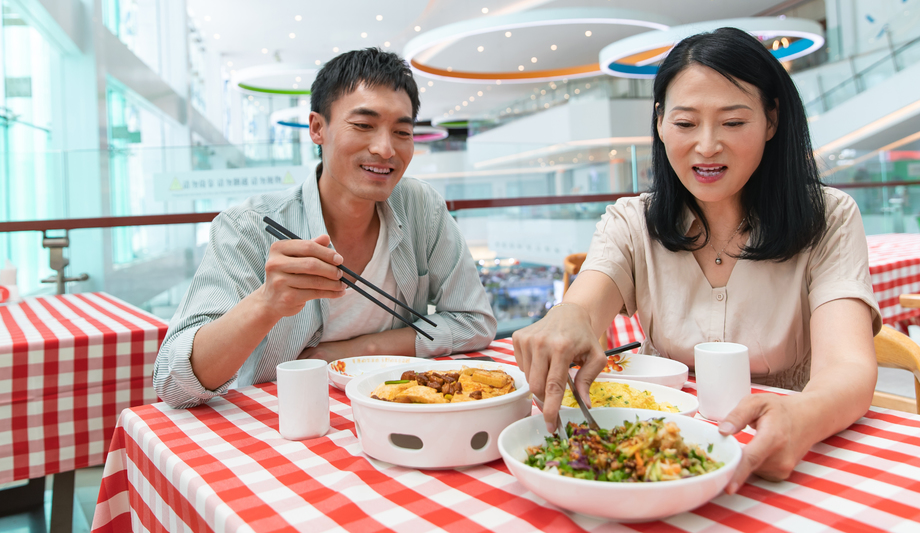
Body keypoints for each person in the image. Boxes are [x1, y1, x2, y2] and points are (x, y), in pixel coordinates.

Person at [512, 28, 881, 494]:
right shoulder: (632, 221)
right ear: (661, 122)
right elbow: (584, 305)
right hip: (654, 457)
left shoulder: (829, 217)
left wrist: (801, 415)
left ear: (771, 121)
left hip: (784, 445)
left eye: (732, 123)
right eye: (686, 124)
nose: (707, 146)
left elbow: (847, 368)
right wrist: (565, 318)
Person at [155, 48, 496, 409]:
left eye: (402, 131)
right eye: (363, 125)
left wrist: (354, 351)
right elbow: (173, 384)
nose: (385, 149)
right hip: (284, 423)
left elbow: (474, 321)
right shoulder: (250, 226)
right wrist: (267, 304)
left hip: (395, 406)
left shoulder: (420, 207)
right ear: (318, 128)